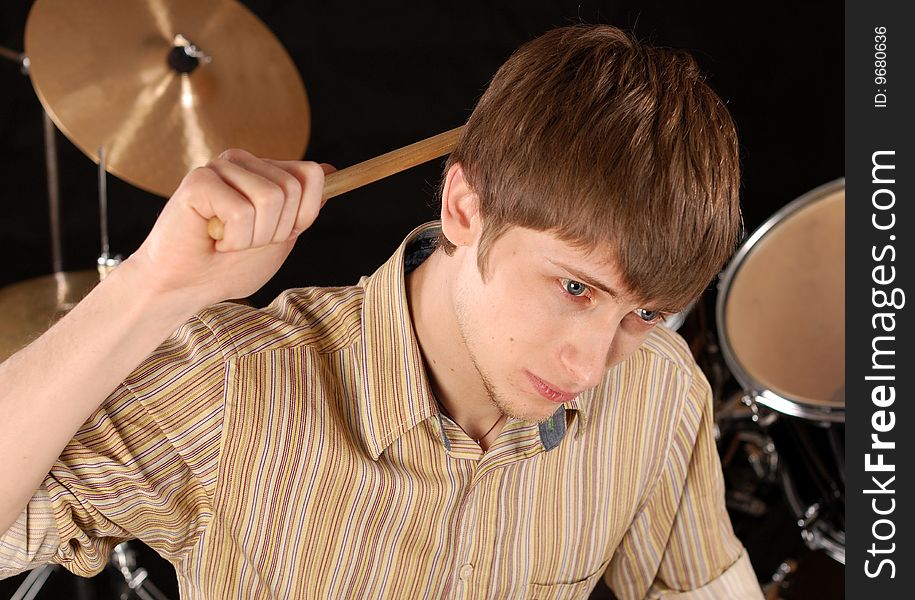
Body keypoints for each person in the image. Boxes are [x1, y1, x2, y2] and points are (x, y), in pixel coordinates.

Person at [0, 24, 763, 599]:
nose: (592, 366)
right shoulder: (232, 388)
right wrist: (150, 289)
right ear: (466, 207)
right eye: (575, 289)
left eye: (643, 315)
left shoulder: (660, 393)